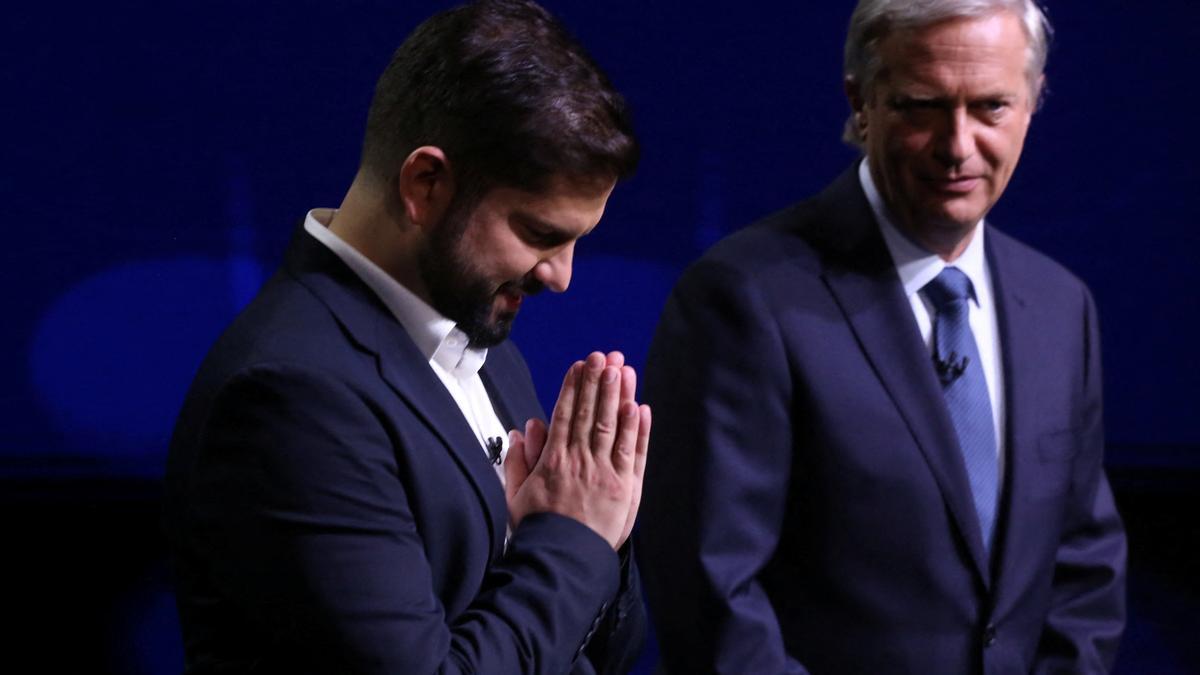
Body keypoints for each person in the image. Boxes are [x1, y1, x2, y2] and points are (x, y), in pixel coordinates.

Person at [637, 0, 1126, 672]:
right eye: (922, 105)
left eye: (991, 107)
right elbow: (711, 597)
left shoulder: (1060, 306)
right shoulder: (742, 298)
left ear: (1034, 101)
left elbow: (1084, 568)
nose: (958, 146)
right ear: (860, 100)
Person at [163, 2, 651, 673]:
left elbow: (604, 653)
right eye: (540, 234)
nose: (561, 277)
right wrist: (573, 536)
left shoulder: (485, 344)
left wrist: (600, 524)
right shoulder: (289, 396)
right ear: (426, 183)